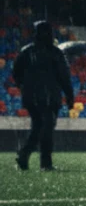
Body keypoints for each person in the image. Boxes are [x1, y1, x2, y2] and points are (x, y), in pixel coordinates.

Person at [13, 21, 73, 172]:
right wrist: (69, 96)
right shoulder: (55, 53)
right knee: (46, 128)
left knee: (38, 126)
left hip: (31, 97)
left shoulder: (27, 51)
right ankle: (44, 162)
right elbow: (64, 77)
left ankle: (25, 154)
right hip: (49, 96)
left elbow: (16, 73)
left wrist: (24, 87)